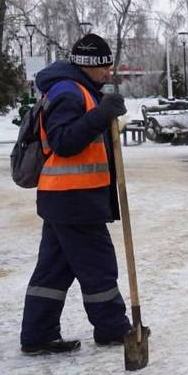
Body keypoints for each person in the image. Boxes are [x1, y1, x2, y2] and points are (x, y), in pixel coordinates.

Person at [20, 33, 132, 354]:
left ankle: (38, 335)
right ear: (89, 65)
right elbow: (64, 141)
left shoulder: (79, 89)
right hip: (74, 198)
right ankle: (113, 329)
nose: (109, 73)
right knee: (98, 265)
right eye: (105, 67)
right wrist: (101, 115)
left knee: (53, 270)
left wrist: (104, 112)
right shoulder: (68, 91)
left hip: (65, 197)